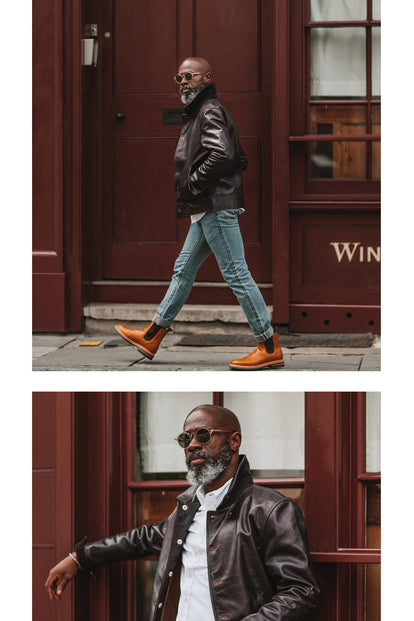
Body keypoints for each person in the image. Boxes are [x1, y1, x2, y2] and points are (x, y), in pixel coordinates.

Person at [45, 404, 320, 620]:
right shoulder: (188, 509)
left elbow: (300, 591)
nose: (192, 445)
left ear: (234, 441)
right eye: (185, 438)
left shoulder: (270, 510)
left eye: (203, 435)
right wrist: (79, 557)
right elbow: (140, 539)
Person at [114, 57, 284, 371]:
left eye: (189, 76)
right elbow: (238, 157)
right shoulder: (203, 111)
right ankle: (152, 334)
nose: (183, 82)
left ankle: (269, 343)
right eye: (178, 78)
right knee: (183, 269)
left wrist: (195, 182)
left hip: (215, 206)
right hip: (209, 206)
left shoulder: (209, 110)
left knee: (236, 274)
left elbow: (222, 154)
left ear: (206, 77)